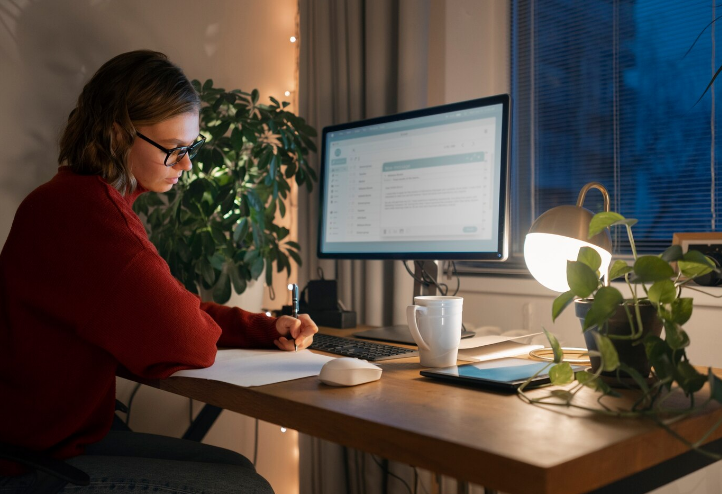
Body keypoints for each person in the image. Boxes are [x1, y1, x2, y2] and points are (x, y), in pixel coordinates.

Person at [0, 50, 317, 493]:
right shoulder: (88, 214)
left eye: (191, 148)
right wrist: (193, 319)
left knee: (237, 467)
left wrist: (264, 328)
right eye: (174, 150)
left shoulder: (75, 199)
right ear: (117, 134)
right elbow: (188, 339)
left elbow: (170, 305)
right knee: (246, 488)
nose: (186, 164)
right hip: (27, 463)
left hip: (49, 441)